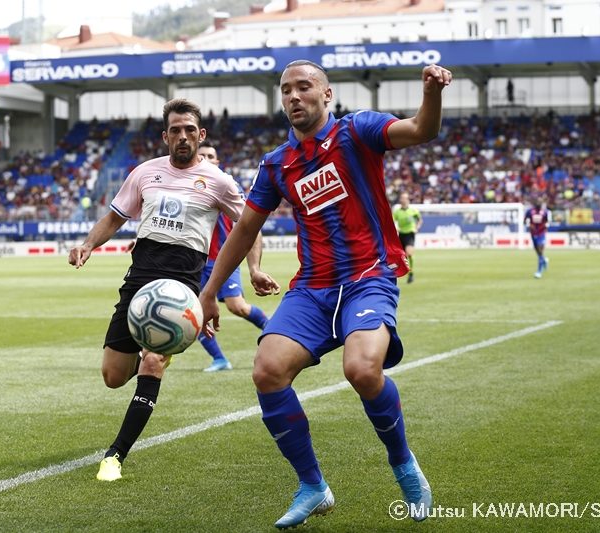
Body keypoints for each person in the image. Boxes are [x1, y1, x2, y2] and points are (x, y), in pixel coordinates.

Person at [199, 60, 451, 528]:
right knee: (268, 369)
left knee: (361, 367)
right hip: (312, 287)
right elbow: (244, 228)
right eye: (285, 90)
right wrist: (210, 291)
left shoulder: (359, 132)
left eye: (304, 87)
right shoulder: (276, 164)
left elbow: (421, 130)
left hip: (368, 276)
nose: (293, 96)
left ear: (327, 94)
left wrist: (431, 93)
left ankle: (405, 466)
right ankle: (313, 486)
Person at [68, 98, 274, 482]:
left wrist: (256, 268)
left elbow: (250, 227)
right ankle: (152, 357)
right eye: (175, 130)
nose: (183, 136)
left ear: (201, 135)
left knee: (152, 362)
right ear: (166, 136)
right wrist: (87, 244)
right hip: (139, 279)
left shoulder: (219, 181)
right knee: (113, 376)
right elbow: (115, 216)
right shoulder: (146, 172)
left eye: (189, 130)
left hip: (182, 285)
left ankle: (115, 455)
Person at [197, 139, 270, 372]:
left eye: (211, 156)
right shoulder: (188, 186)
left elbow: (250, 225)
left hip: (223, 259)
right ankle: (219, 359)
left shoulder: (228, 186)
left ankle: (273, 330)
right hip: (194, 261)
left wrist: (254, 267)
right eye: (202, 156)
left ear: (218, 162)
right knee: (194, 312)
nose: (206, 160)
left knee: (236, 306)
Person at [392, 192, 422, 284]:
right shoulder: (397, 212)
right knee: (400, 255)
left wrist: (417, 228)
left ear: (407, 200)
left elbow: (419, 220)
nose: (402, 200)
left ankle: (411, 273)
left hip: (410, 233)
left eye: (404, 198)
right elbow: (392, 221)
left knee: (409, 253)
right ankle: (398, 273)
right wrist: (395, 229)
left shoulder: (413, 211)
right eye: (401, 198)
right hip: (401, 234)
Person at [524, 199, 550, 278]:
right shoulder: (530, 212)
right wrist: (529, 225)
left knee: (540, 249)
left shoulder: (544, 212)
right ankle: (544, 260)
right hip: (533, 233)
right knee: (538, 252)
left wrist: (545, 228)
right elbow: (525, 220)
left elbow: (546, 222)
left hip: (541, 233)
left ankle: (539, 271)